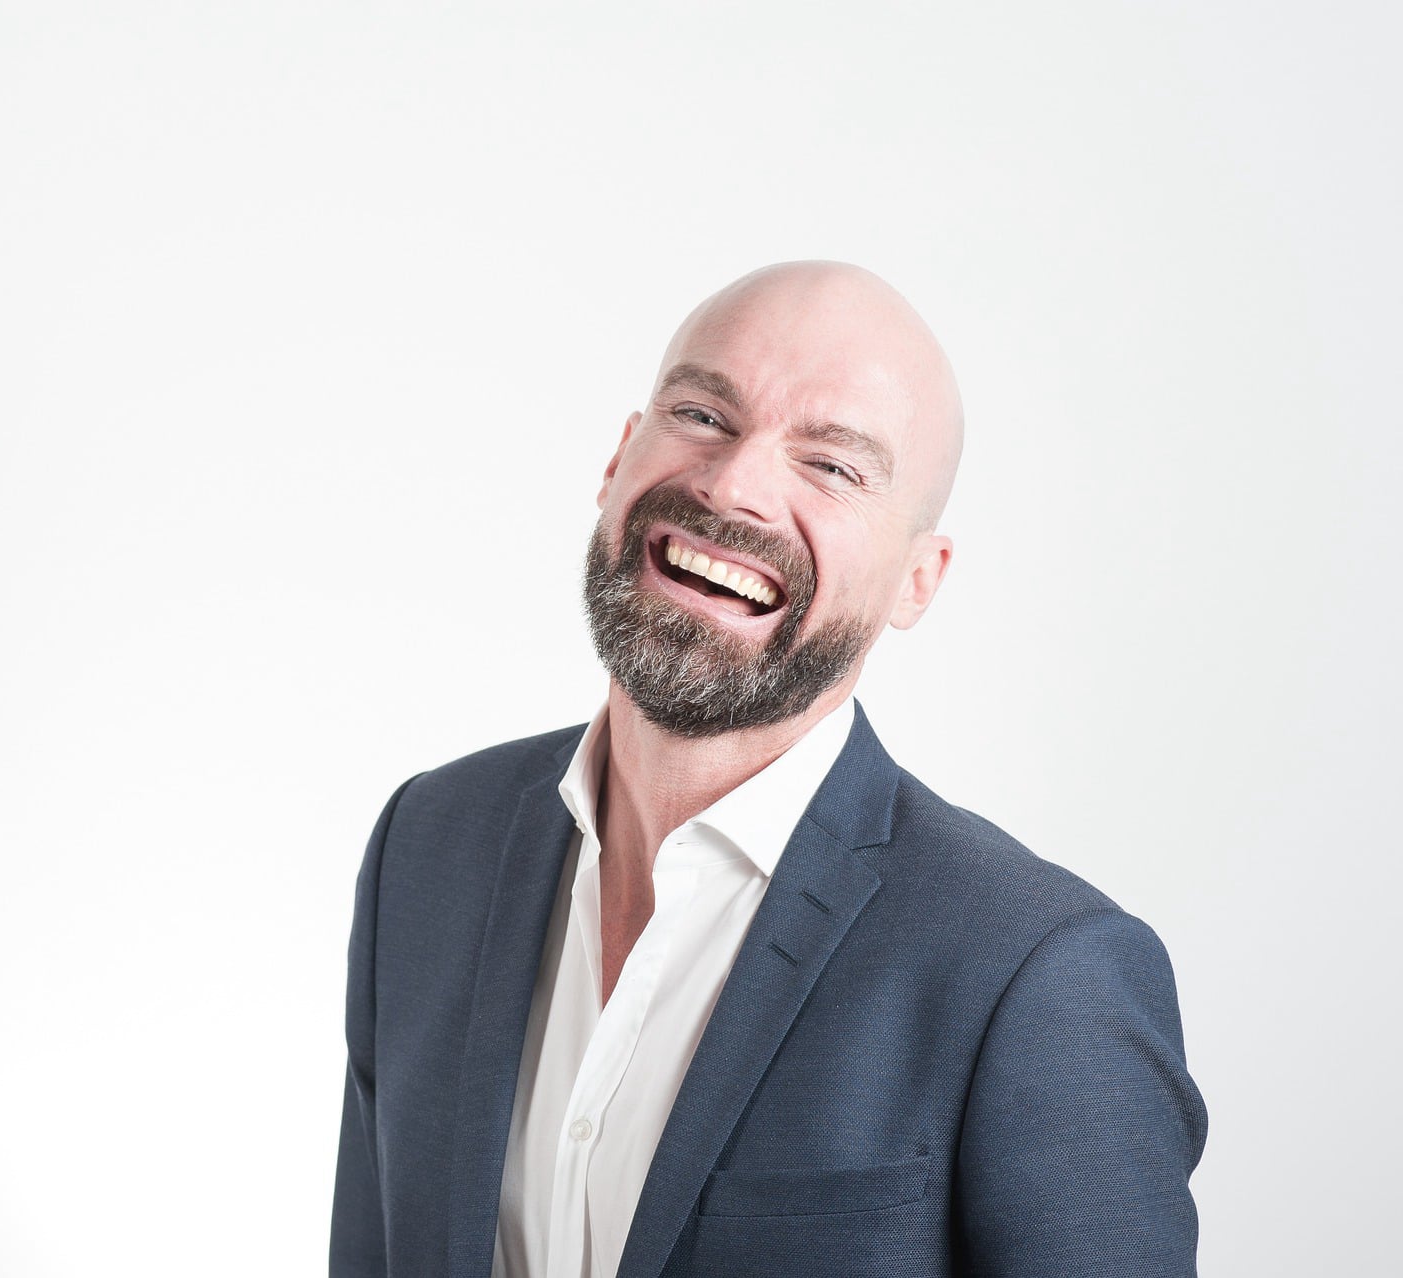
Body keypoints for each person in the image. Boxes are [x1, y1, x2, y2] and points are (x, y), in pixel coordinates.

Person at [329, 262, 1207, 1278]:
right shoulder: (429, 846)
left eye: (832, 466)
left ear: (916, 582)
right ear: (618, 457)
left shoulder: (1038, 974)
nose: (734, 485)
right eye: (702, 414)